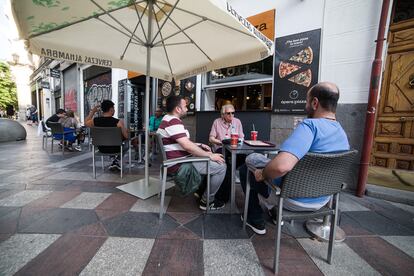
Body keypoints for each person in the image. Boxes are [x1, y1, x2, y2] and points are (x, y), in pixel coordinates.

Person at [240, 82, 350, 235]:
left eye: (306, 101)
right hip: (323, 200)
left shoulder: (310, 126)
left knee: (248, 166)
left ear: (314, 103)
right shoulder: (342, 133)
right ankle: (274, 213)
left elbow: (281, 166)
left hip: (291, 198)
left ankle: (255, 218)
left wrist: (263, 174)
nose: (306, 105)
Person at [157, 95, 227, 210]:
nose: (187, 109)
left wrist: (199, 145)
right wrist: (210, 155)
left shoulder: (167, 119)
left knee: (205, 155)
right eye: (185, 106)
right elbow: (187, 146)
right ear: (178, 109)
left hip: (174, 161)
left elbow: (182, 142)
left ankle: (200, 191)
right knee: (221, 166)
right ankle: (207, 201)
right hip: (179, 164)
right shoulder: (173, 121)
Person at [207, 104, 245, 203]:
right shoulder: (217, 122)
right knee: (227, 166)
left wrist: (237, 141)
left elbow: (242, 137)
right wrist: (222, 142)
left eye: (233, 113)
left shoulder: (237, 122)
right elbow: (211, 138)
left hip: (235, 149)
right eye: (228, 113)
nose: (231, 115)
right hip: (221, 148)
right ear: (223, 114)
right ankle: (222, 197)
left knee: (246, 158)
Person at [85, 100, 128, 171]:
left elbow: (86, 122)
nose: (114, 110)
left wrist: (93, 112)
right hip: (116, 149)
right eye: (113, 109)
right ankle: (116, 160)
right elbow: (126, 136)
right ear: (111, 110)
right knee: (126, 144)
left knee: (110, 142)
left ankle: (113, 159)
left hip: (102, 148)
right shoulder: (118, 122)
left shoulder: (95, 121)